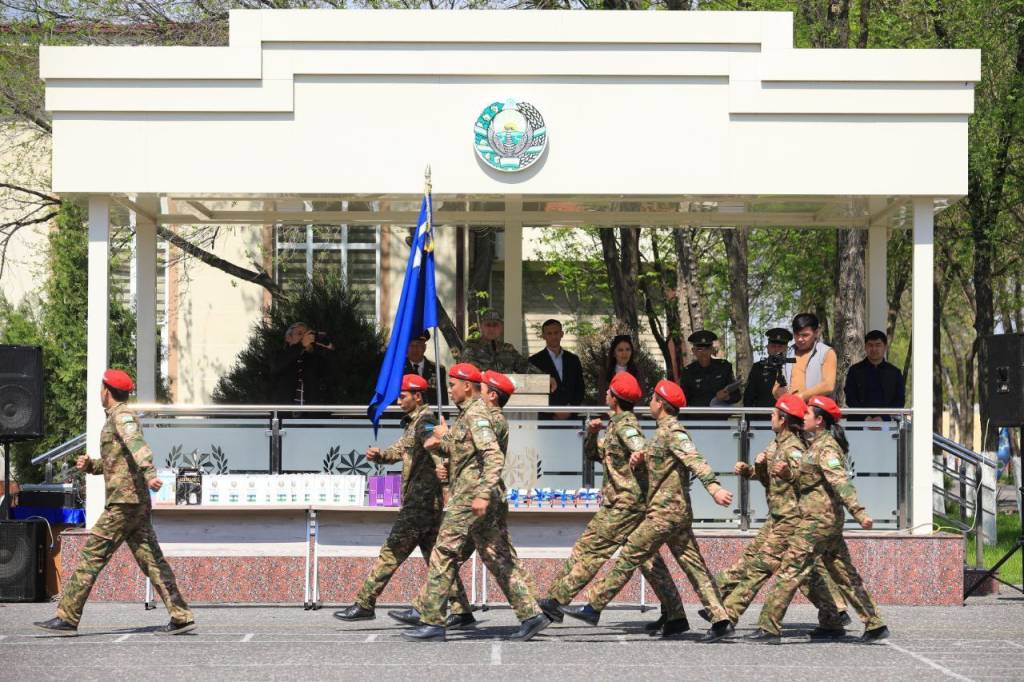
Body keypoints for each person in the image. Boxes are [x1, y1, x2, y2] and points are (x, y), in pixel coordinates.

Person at [560, 380, 736, 643]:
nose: (649, 403)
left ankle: (593, 606)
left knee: (630, 553)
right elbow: (660, 466)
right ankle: (720, 620)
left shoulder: (674, 432)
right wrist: (640, 459)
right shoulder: (660, 433)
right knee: (694, 566)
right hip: (673, 512)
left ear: (661, 404)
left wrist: (714, 487)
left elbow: (695, 459)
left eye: (653, 399)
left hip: (664, 513)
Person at [34, 369, 195, 636]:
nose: (100, 392)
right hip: (133, 502)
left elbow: (137, 445)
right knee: (152, 561)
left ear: (106, 391)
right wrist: (91, 465)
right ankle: (181, 616)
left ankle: (67, 618)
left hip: (123, 503)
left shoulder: (122, 416)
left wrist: (150, 473)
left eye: (101, 388)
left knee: (91, 556)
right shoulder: (116, 417)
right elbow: (118, 463)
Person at [400, 363, 550, 642]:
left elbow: (492, 456)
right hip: (474, 494)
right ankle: (531, 615)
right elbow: (466, 451)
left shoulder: (477, 414)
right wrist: (442, 443)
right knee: (496, 556)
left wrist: (481, 494)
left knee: (443, 551)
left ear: (467, 386)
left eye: (453, 385)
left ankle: (432, 621)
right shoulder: (469, 414)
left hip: (471, 496)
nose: (449, 390)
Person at [536, 372, 687, 633]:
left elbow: (642, 448)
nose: (605, 394)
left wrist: (640, 454)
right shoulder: (615, 424)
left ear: (614, 398)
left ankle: (556, 600)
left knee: (593, 549)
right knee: (647, 559)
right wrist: (591, 435)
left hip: (625, 504)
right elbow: (596, 455)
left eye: (608, 392)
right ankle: (675, 614)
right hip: (626, 501)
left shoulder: (626, 426)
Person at [333, 374, 473, 627]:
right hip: (424, 505)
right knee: (438, 560)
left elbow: (434, 447)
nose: (398, 401)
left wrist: (444, 469)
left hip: (420, 505)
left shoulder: (425, 421)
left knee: (391, 552)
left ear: (417, 396)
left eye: (403, 396)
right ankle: (461, 610)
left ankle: (364, 603)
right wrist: (380, 455)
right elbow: (400, 450)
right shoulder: (414, 422)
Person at [749, 395, 888, 644]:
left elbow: (840, 482)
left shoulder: (827, 448)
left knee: (791, 568)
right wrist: (788, 474)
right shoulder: (814, 446)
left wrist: (859, 512)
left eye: (808, 414)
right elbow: (808, 481)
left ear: (820, 420)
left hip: (818, 521)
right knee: (844, 575)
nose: (803, 417)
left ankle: (769, 627)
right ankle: (871, 624)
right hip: (822, 521)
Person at [713, 394, 848, 630]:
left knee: (764, 566)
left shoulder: (794, 448)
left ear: (783, 419)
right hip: (777, 516)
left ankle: (726, 614)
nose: (770, 416)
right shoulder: (776, 444)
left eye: (774, 413)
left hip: (791, 518)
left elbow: (801, 481)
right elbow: (770, 480)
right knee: (799, 571)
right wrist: (752, 470)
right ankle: (834, 613)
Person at [529, 318, 585, 419]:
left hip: (571, 417)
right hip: (546, 418)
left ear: (561, 334)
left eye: (556, 333)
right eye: (549, 333)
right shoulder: (534, 361)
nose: (553, 336)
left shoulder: (573, 359)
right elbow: (533, 391)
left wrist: (570, 409)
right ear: (543, 336)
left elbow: (580, 387)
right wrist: (553, 411)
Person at [844, 330, 906, 421]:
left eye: (878, 345)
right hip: (859, 422)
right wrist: (865, 417)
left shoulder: (895, 373)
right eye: (870, 345)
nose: (874, 349)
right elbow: (850, 397)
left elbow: (900, 400)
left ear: (885, 347)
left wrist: (883, 418)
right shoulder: (855, 371)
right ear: (865, 347)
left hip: (887, 423)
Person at [773, 313, 836, 401]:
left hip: (816, 408)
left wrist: (800, 397)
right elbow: (776, 388)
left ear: (816, 332)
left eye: (805, 335)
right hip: (790, 407)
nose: (800, 339)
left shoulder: (827, 352)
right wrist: (780, 393)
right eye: (796, 334)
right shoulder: (786, 354)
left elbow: (828, 386)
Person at [270, 321, 333, 405]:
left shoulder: (314, 358)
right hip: (284, 411)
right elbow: (276, 367)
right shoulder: (280, 354)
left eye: (306, 334)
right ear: (288, 338)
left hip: (312, 411)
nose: (304, 337)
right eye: (300, 334)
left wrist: (327, 346)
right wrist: (301, 345)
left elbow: (331, 373)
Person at [461, 310, 540, 374]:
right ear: (481, 327)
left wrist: (544, 377)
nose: (491, 329)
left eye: (495, 325)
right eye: (488, 325)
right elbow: (468, 371)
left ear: (501, 328)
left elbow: (526, 368)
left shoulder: (508, 349)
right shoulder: (471, 348)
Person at [679, 330, 740, 407]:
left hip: (719, 413)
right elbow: (683, 399)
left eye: (707, 348)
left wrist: (726, 397)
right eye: (699, 349)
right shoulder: (688, 372)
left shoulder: (724, 367)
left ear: (712, 350)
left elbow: (737, 395)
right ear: (693, 351)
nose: (703, 353)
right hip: (697, 413)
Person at [743, 328, 793, 408]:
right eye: (773, 346)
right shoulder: (758, 367)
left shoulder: (792, 367)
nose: (776, 349)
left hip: (786, 413)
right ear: (768, 348)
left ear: (786, 348)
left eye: (780, 346)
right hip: (763, 414)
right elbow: (749, 397)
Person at [404, 330, 448, 406]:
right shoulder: (398, 370)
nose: (415, 349)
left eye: (418, 345)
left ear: (424, 347)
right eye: (411, 345)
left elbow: (443, 399)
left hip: (430, 412)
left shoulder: (438, 370)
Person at [598, 334, 644, 398]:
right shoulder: (605, 372)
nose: (624, 353)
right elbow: (602, 397)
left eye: (627, 349)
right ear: (614, 353)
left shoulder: (637, 372)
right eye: (620, 350)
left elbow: (640, 397)